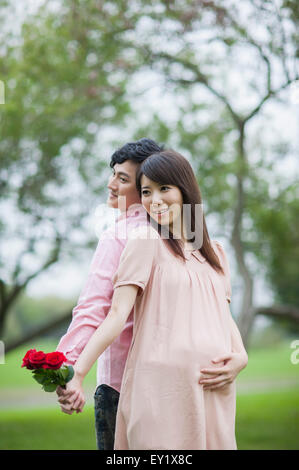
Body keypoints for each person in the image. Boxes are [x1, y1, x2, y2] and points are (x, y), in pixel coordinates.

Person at [60, 149, 248, 450]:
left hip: (213, 390)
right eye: (146, 192)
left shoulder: (215, 252)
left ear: (185, 190)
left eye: (164, 189)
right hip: (159, 392)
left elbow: (222, 316)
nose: (155, 200)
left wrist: (241, 355)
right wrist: (77, 372)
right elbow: (115, 314)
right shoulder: (144, 243)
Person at [55, 138, 164, 450]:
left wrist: (65, 366)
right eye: (113, 173)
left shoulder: (119, 235)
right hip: (167, 385)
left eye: (123, 178)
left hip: (119, 383)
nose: (111, 184)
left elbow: (94, 308)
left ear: (147, 187)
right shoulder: (173, 237)